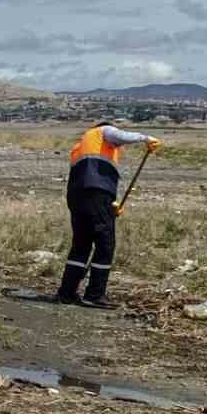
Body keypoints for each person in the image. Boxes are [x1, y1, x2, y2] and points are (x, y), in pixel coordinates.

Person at [55, 120, 161, 308]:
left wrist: (110, 207)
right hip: (96, 194)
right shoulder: (102, 131)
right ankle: (94, 295)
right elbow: (119, 136)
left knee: (82, 245)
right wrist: (145, 138)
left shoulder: (81, 146)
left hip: (78, 197)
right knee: (105, 244)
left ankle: (67, 293)